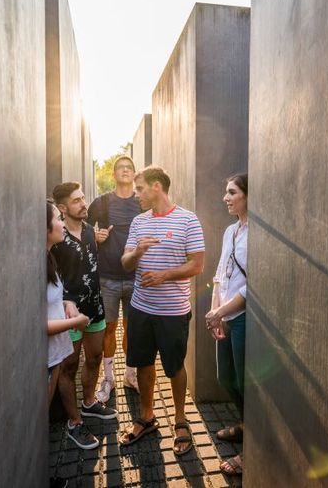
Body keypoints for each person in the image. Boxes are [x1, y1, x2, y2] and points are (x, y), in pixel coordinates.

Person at [118, 166, 205, 456]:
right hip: (140, 309)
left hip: (174, 312)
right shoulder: (138, 222)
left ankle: (180, 420)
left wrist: (163, 275)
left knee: (175, 366)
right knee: (143, 364)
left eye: (140, 188)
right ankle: (146, 416)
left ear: (157, 186)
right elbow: (125, 263)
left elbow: (197, 265)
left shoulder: (188, 220)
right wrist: (137, 252)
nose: (137, 195)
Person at [51, 182, 117, 451]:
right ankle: (74, 422)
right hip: (68, 313)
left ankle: (89, 403)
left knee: (95, 357)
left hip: (94, 306)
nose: (83, 203)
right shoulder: (56, 236)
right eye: (76, 201)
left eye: (83, 198)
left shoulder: (90, 230)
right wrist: (65, 301)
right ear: (63, 208)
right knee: (69, 366)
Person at [87, 155, 143, 402]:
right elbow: (82, 232)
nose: (125, 170)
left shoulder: (142, 202)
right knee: (109, 328)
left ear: (134, 173)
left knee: (132, 328)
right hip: (108, 277)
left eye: (129, 167)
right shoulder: (101, 203)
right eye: (120, 168)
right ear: (114, 174)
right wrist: (95, 237)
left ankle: (130, 375)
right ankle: (108, 377)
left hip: (135, 277)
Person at [205, 173, 248, 476]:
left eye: (232, 192)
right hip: (224, 314)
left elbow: (251, 287)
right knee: (227, 379)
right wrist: (214, 311)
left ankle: (251, 451)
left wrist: (222, 310)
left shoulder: (257, 233)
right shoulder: (230, 230)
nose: (225, 197)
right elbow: (221, 273)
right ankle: (245, 424)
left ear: (248, 195)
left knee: (246, 384)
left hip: (243, 317)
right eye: (226, 192)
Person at [45, 200, 89, 488]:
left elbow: (51, 302)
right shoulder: (36, 262)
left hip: (55, 356)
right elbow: (40, 324)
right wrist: (77, 322)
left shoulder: (49, 257)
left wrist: (66, 304)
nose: (62, 223)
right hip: (47, 359)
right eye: (57, 219)